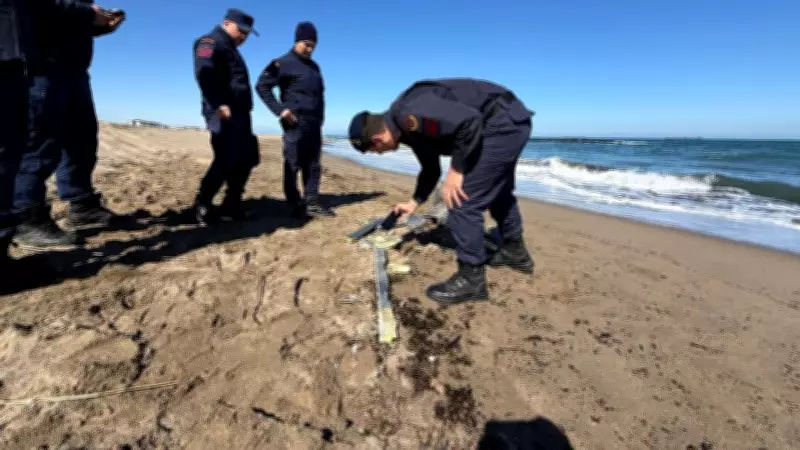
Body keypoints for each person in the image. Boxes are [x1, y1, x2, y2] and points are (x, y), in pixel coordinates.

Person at [348, 78, 536, 305]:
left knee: (460, 200)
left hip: (500, 123)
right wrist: (413, 202)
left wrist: (457, 170)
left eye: (375, 151)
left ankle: (471, 278)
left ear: (377, 139)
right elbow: (430, 169)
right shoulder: (407, 130)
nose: (380, 154)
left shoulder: (410, 114)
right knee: (497, 189)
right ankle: (515, 252)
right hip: (507, 121)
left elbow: (470, 122)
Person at [1, 0, 115, 293]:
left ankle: (82, 205)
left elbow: (61, 18)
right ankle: (28, 217)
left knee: (81, 142)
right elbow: (41, 9)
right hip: (42, 65)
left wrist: (97, 26)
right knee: (36, 145)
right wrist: (86, 13)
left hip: (72, 69)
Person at [256, 21, 334, 219]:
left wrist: (321, 119)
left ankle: (312, 201)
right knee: (293, 162)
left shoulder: (315, 67)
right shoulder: (281, 63)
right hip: (294, 122)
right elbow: (262, 86)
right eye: (306, 44)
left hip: (314, 123)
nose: (310, 49)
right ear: (297, 41)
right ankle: (293, 202)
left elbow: (320, 96)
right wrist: (280, 111)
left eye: (313, 46)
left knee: (314, 164)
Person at [192, 8, 260, 224]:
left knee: (248, 156)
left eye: (248, 34)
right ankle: (203, 203)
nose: (244, 37)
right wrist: (219, 102)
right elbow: (204, 72)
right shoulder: (208, 42)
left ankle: (232, 202)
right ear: (227, 23)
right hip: (222, 111)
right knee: (227, 158)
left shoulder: (232, 48)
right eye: (242, 31)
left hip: (240, 112)